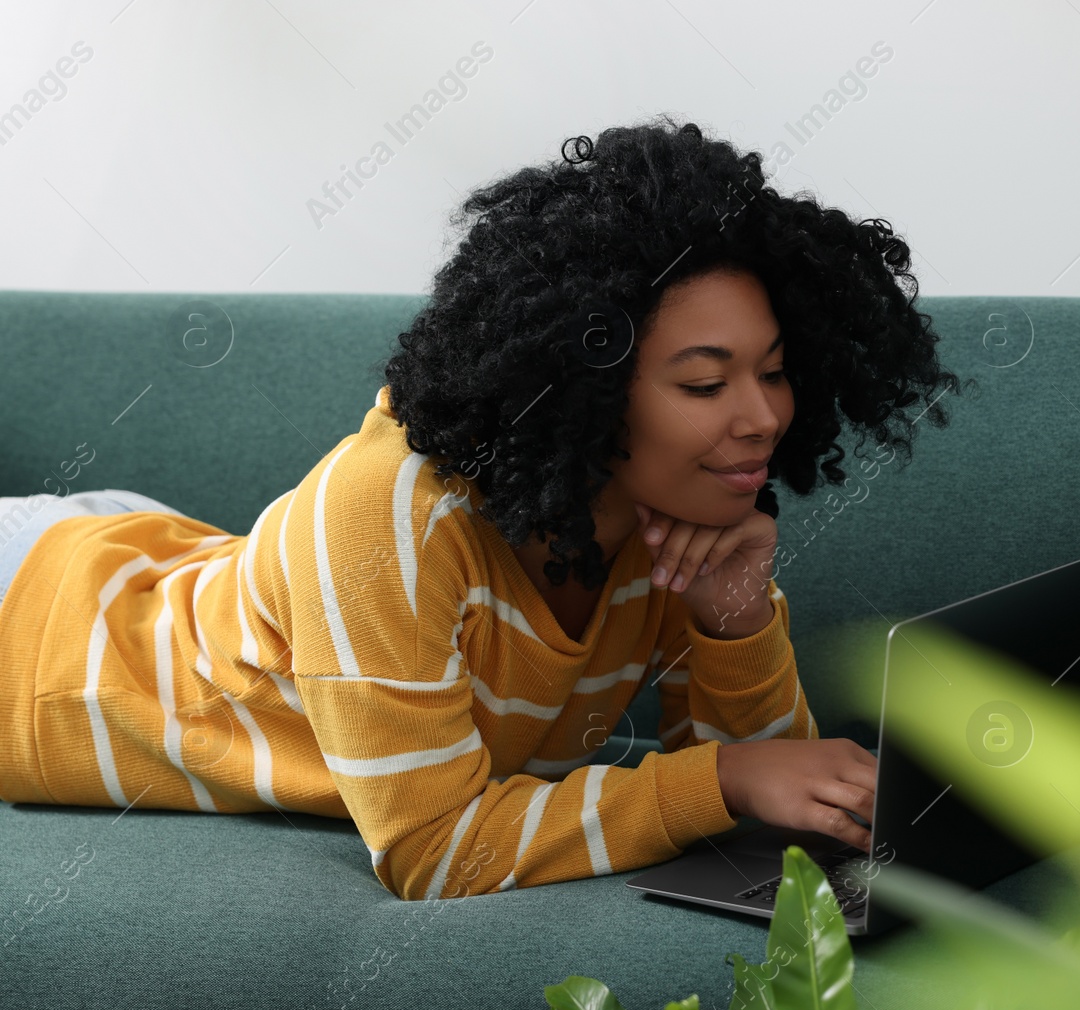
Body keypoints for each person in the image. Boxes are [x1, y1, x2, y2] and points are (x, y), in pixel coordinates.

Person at [0, 116, 966, 901]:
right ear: (584, 385)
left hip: (139, 558)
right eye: (706, 386)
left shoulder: (667, 517)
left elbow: (771, 793)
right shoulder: (386, 517)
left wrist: (735, 619)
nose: (761, 419)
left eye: (776, 373)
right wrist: (719, 780)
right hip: (31, 630)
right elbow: (433, 852)